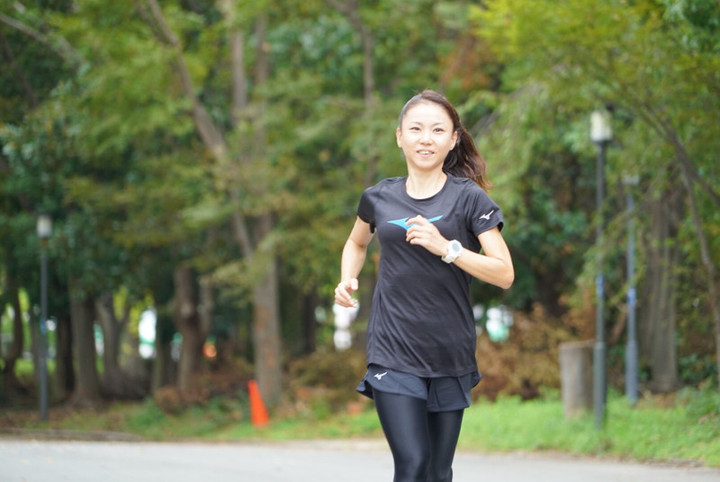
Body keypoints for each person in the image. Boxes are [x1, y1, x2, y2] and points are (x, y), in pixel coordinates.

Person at [334, 89, 514, 482]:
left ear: (452, 140)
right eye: (416, 129)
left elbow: (504, 273)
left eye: (437, 130)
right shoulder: (379, 197)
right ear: (400, 136)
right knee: (412, 464)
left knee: (437, 471)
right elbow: (356, 242)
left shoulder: (470, 199)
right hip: (392, 350)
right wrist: (348, 277)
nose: (425, 138)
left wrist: (447, 248)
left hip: (449, 352)